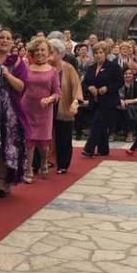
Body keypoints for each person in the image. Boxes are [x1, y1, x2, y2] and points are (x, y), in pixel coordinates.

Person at [0, 29, 29, 193]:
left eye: (8, 38)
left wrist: (7, 74)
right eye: (1, 38)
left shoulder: (17, 61)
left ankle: (2, 181)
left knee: (6, 145)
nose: (4, 41)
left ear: (12, 42)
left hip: (9, 109)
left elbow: (22, 86)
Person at [21, 37, 60, 180]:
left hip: (44, 111)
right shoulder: (27, 68)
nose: (39, 52)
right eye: (36, 50)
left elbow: (57, 92)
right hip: (27, 108)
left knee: (43, 143)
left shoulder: (53, 71)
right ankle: (28, 169)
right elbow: (21, 88)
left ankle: (44, 162)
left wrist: (50, 99)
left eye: (43, 49)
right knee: (29, 140)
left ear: (48, 52)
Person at [81, 42, 122, 157]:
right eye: (96, 53)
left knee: (96, 123)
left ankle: (89, 148)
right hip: (95, 101)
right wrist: (90, 87)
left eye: (100, 52)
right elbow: (85, 82)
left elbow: (120, 82)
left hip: (108, 101)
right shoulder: (91, 67)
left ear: (105, 53)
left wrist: (107, 88)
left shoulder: (113, 66)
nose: (98, 55)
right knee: (101, 125)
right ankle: (103, 149)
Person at [49, 38, 82, 174]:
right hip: (47, 108)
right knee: (44, 137)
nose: (49, 54)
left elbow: (76, 87)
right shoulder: (45, 67)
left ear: (59, 53)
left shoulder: (68, 68)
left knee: (64, 137)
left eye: (51, 52)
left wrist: (75, 102)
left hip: (64, 108)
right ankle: (42, 162)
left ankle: (63, 164)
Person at [118, 68, 137, 142]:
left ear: (133, 75)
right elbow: (115, 95)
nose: (128, 75)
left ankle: (130, 133)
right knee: (113, 108)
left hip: (135, 104)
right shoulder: (119, 84)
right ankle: (112, 132)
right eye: (126, 73)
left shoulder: (136, 84)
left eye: (130, 73)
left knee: (129, 109)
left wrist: (130, 101)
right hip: (121, 104)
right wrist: (121, 100)